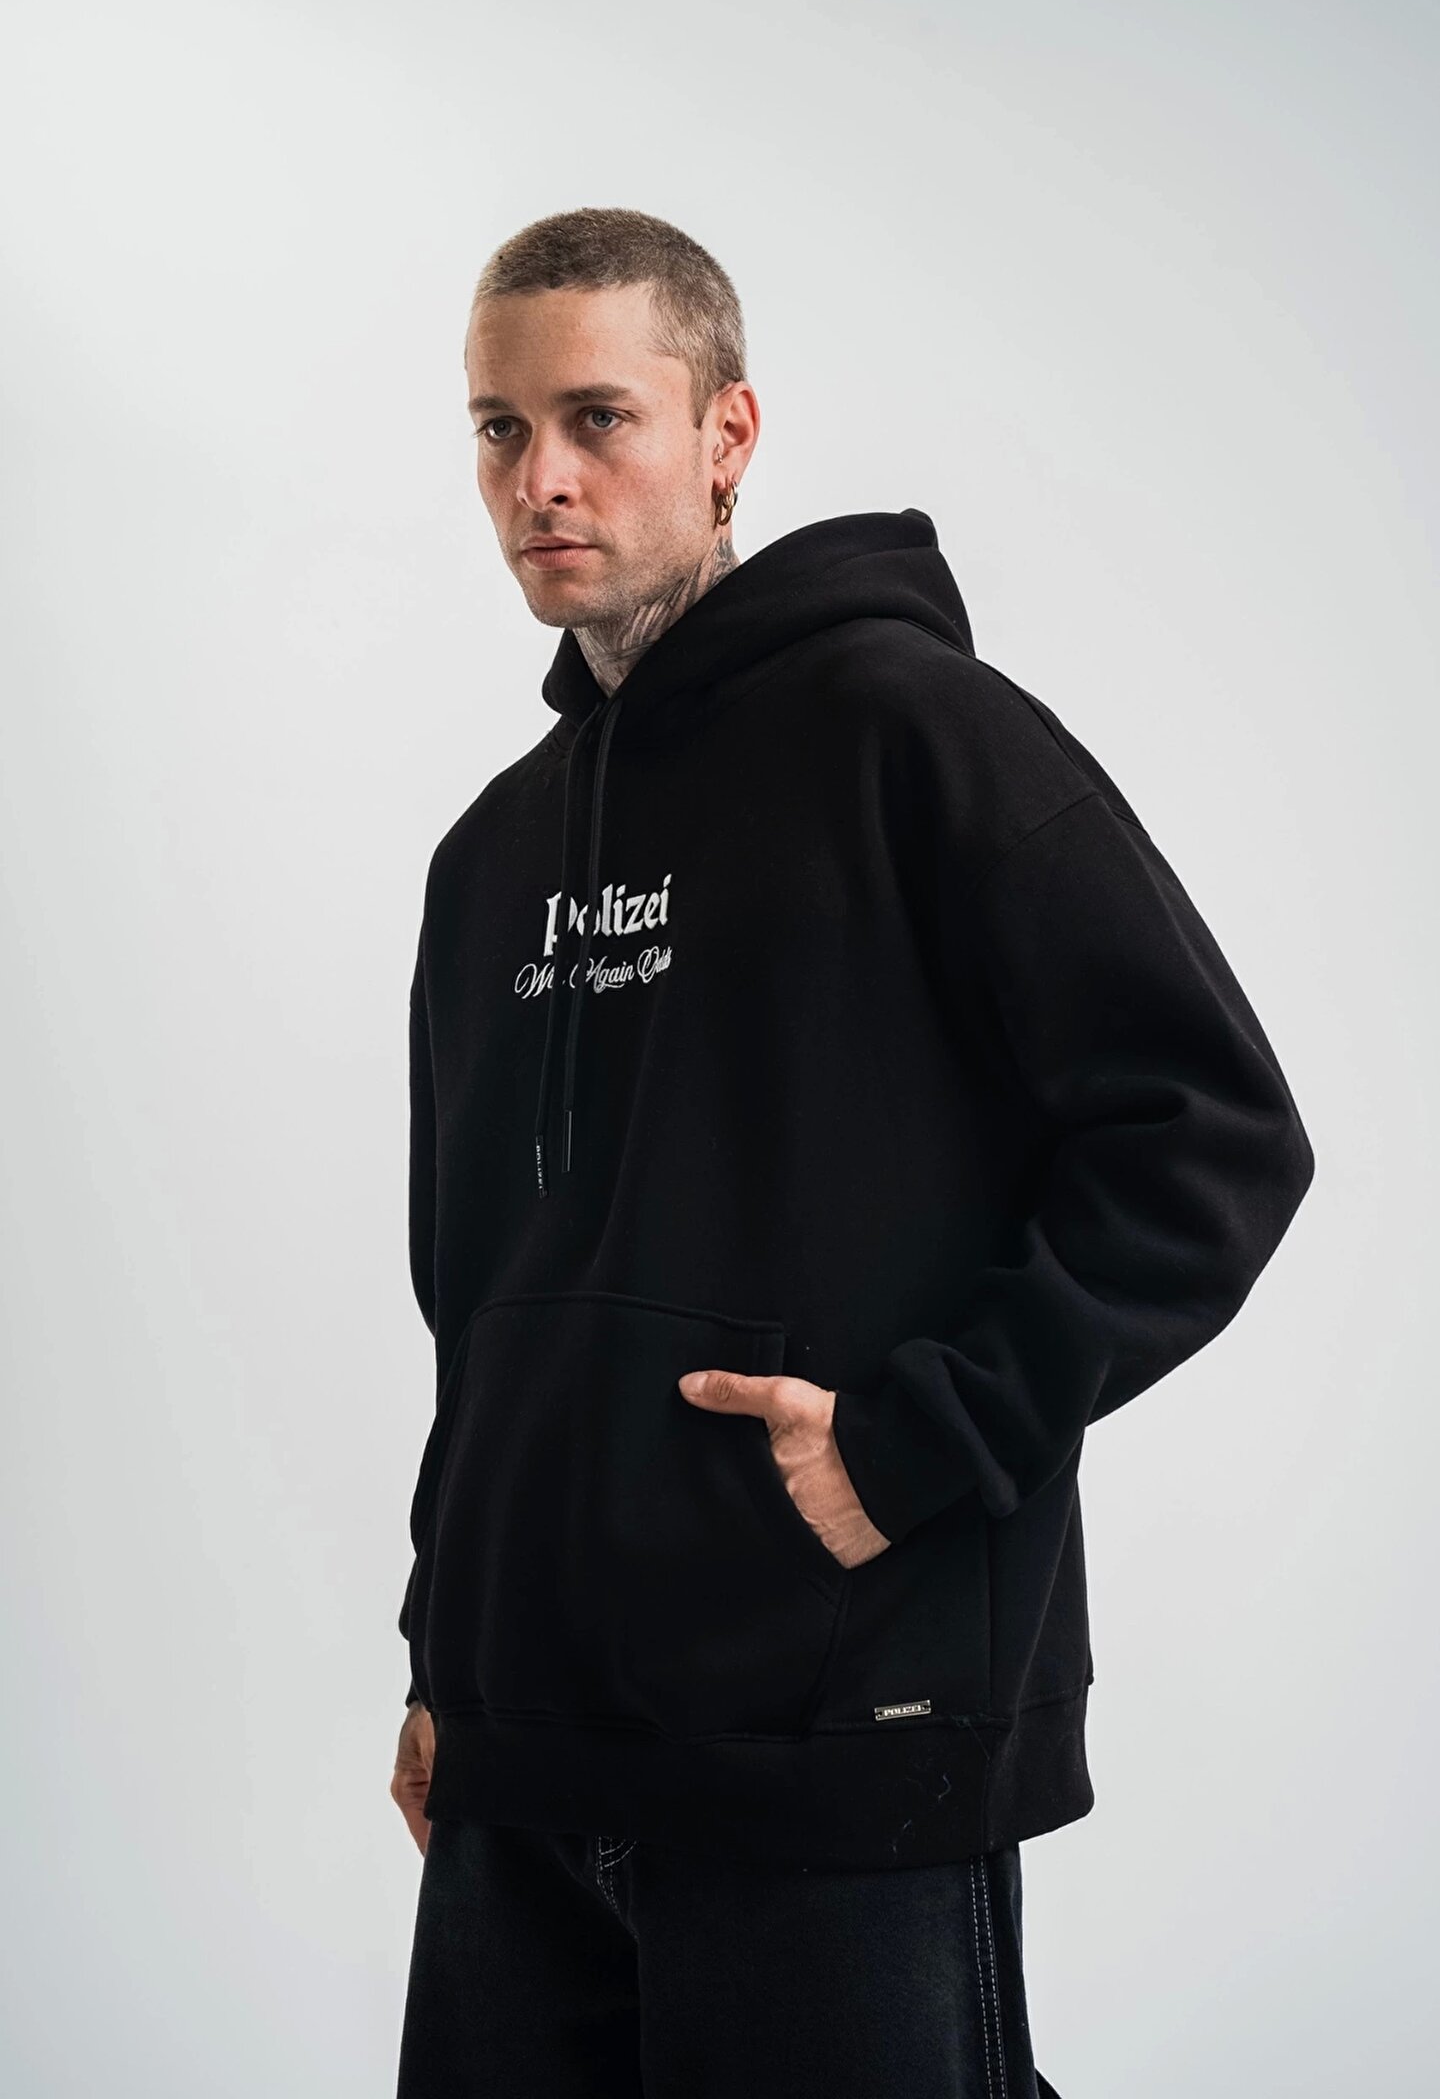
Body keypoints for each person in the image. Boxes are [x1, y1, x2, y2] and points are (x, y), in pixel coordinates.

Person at [389, 207, 1315, 2098]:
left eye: (597, 418)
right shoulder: (490, 857)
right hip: (523, 1760)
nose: (540, 480)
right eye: (498, 429)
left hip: (836, 1736)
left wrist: (914, 1445)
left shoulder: (916, 736)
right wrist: (442, 1658)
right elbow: (475, 1307)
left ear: (727, 433)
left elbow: (1208, 1133)